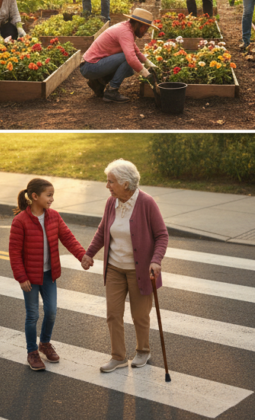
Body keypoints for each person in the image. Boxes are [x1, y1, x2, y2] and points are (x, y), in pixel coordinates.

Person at [82, 159, 169, 374]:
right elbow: (103, 230)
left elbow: (161, 235)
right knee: (113, 314)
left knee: (140, 315)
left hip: (139, 271)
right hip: (114, 268)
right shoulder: (111, 202)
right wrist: (89, 253)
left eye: (111, 182)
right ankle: (118, 357)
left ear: (126, 185)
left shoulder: (147, 203)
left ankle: (143, 351)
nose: (107, 186)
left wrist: (156, 260)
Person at [9, 178, 89, 372]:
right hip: (29, 278)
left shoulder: (53, 216)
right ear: (35, 197)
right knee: (33, 315)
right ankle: (32, 352)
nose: (52, 199)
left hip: (49, 274)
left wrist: (82, 256)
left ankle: (44, 343)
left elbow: (68, 238)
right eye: (49, 195)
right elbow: (14, 252)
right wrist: (21, 277)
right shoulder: (20, 221)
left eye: (53, 195)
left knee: (51, 312)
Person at [79, 8, 159, 103]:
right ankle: (111, 92)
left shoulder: (127, 29)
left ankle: (98, 83)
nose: (146, 32)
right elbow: (131, 57)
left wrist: (148, 63)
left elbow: (137, 52)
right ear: (138, 24)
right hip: (90, 67)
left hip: (91, 65)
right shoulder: (125, 32)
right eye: (145, 28)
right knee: (127, 58)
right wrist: (145, 73)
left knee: (129, 69)